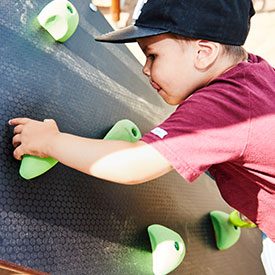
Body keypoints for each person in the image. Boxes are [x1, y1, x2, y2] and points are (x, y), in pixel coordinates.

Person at [9, 0, 275, 256]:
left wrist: (51, 142)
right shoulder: (253, 71)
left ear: (204, 53)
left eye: (152, 55)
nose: (145, 70)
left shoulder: (225, 107)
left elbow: (134, 163)